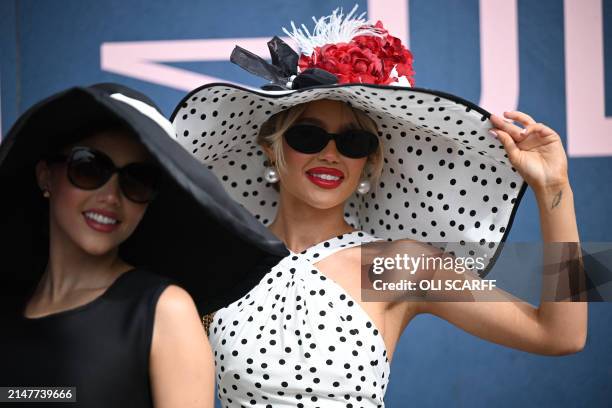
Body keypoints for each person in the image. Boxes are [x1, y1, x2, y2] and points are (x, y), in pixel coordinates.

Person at [171, 7, 587, 407]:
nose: (330, 154)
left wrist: (556, 191)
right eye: (309, 137)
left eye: (353, 142)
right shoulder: (218, 261)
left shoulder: (395, 265)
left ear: (369, 161)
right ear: (270, 149)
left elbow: (561, 334)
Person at [0, 83, 287, 408]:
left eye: (137, 180)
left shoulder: (166, 310)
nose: (111, 196)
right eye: (89, 168)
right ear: (45, 176)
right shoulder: (8, 306)